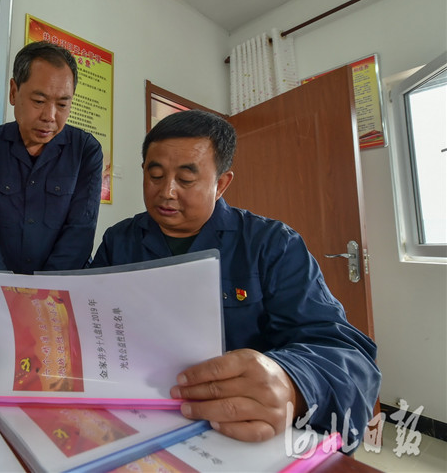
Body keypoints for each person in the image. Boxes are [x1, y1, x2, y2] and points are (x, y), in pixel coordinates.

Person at [90, 110, 380, 448]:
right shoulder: (119, 240)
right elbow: (90, 319)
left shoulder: (272, 245)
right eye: (155, 176)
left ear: (221, 183)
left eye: (186, 180)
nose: (166, 191)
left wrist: (291, 383)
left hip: (235, 430)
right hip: (137, 413)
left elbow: (347, 358)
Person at [0, 41, 103, 283]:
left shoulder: (86, 151)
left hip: (60, 290)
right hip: (0, 289)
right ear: (14, 92)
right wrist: (2, 290)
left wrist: (43, 293)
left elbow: (80, 231)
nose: (50, 116)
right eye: (39, 101)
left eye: (62, 104)